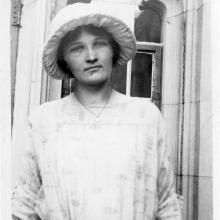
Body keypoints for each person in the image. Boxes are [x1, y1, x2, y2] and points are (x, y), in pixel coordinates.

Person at [12, 2, 182, 220]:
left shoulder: (146, 117)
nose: (91, 56)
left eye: (99, 44)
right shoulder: (44, 121)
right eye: (77, 48)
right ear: (64, 58)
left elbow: (167, 204)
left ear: (113, 50)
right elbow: (24, 206)